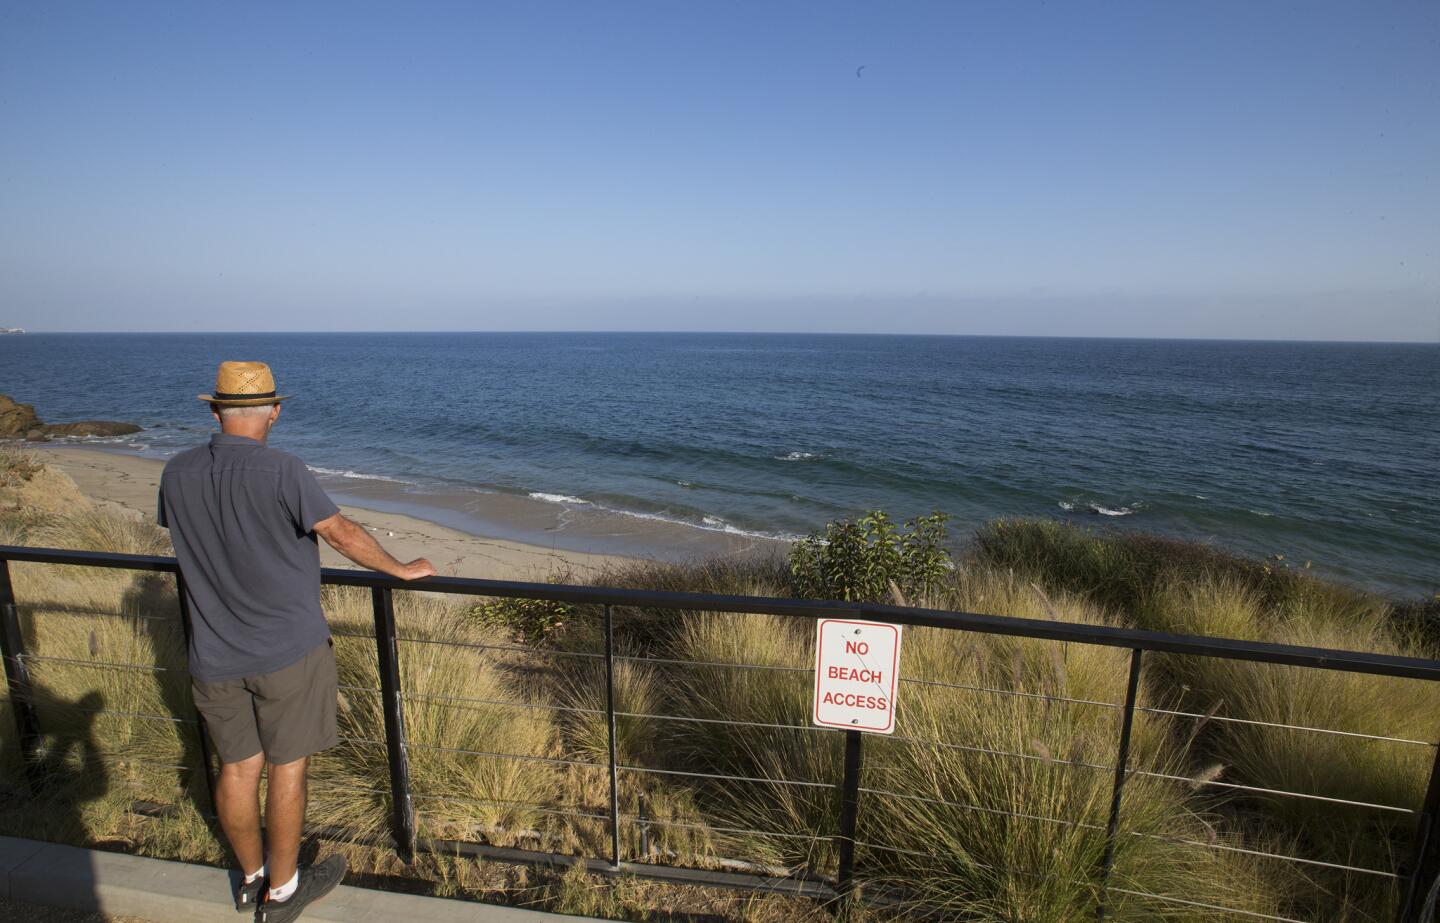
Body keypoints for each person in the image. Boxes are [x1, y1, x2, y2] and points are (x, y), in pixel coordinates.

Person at [157, 361, 435, 922]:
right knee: (288, 768)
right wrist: (401, 570)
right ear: (275, 411)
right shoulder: (283, 470)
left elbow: (193, 535)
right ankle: (283, 893)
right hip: (287, 649)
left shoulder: (176, 472)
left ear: (214, 410)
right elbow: (340, 531)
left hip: (212, 652)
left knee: (237, 769)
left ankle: (251, 878)